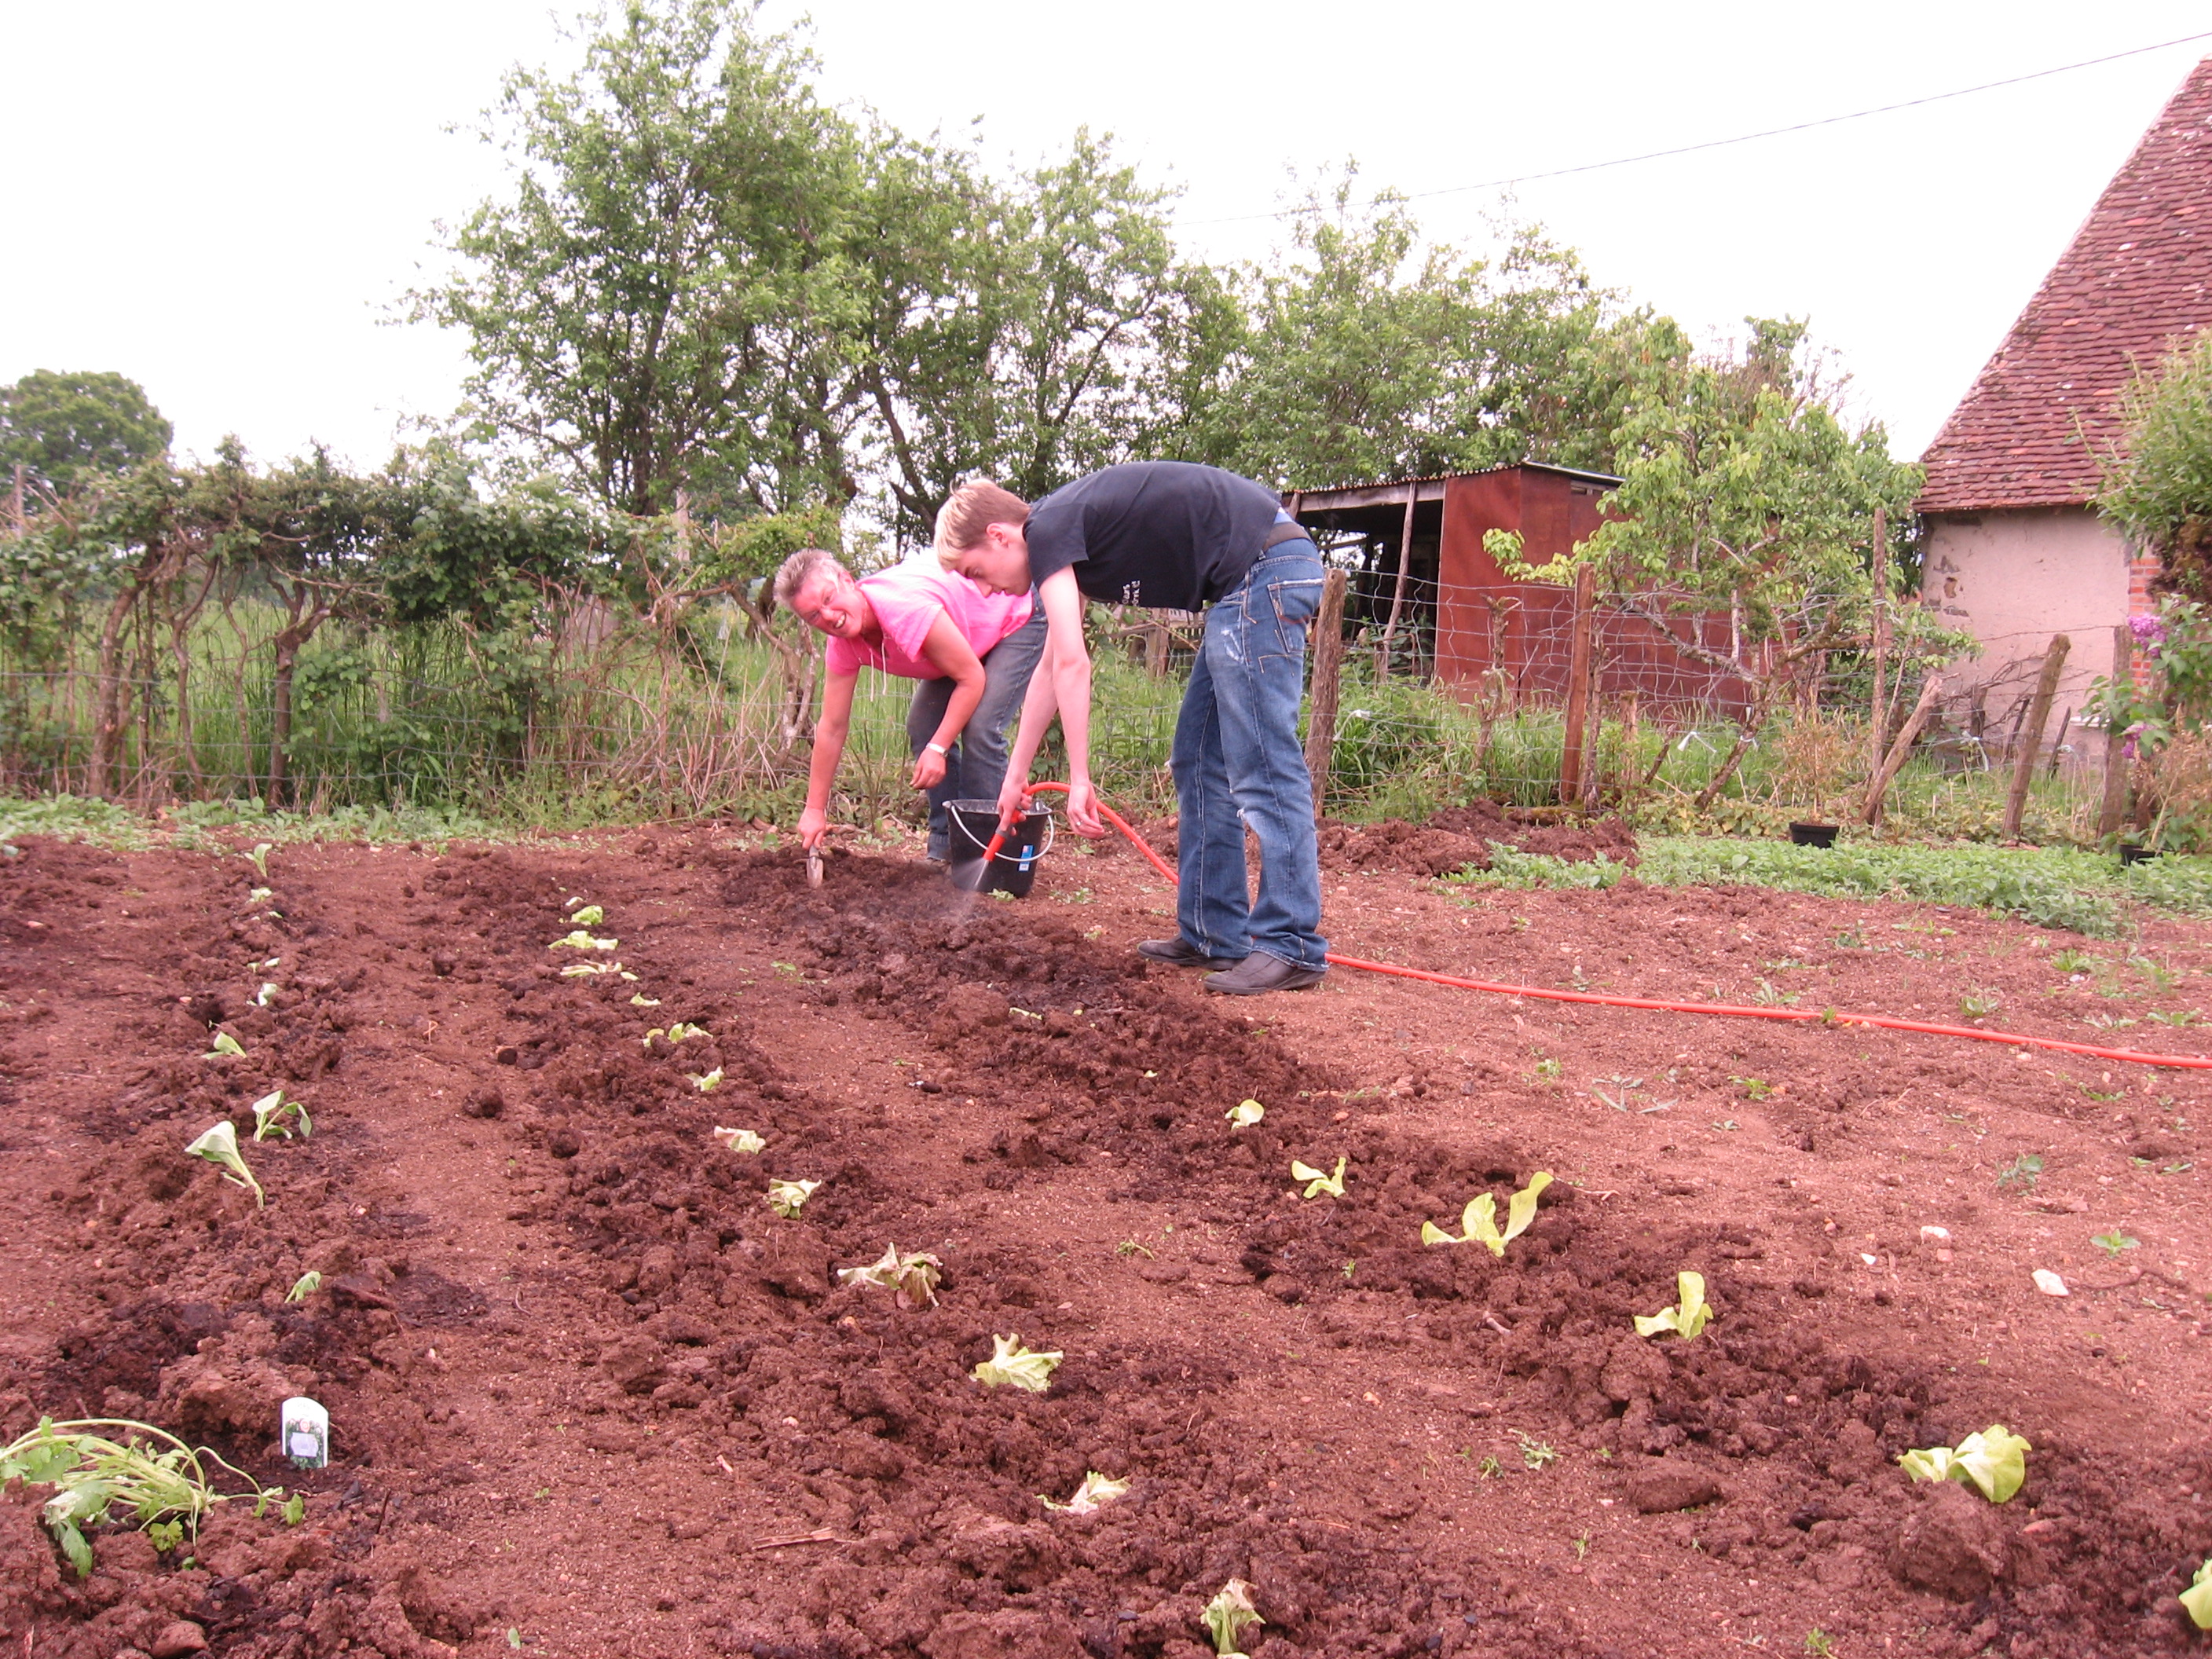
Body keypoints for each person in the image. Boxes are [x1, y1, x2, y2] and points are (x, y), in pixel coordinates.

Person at [935, 463, 1328, 995]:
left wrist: (1080, 778)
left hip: (1265, 570)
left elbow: (1074, 664)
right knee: (1198, 759)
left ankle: (1291, 943)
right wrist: (1015, 776)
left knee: (1263, 761)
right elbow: (1051, 665)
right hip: (1248, 580)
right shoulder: (1059, 535)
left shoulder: (1046, 528)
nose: (985, 590)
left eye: (977, 572)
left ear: (999, 536)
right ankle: (1214, 933)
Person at [775, 548, 1046, 862]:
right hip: (967, 637)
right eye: (813, 616)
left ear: (848, 581)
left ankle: (986, 856)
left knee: (981, 727)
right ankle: (946, 847)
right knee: (924, 725)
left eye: (828, 598)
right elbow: (832, 727)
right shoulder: (842, 644)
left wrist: (938, 749)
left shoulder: (904, 610)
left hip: (1016, 613)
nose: (829, 616)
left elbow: (971, 679)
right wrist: (814, 808)